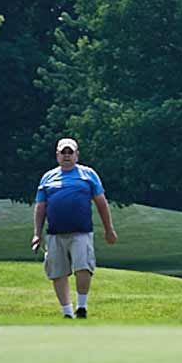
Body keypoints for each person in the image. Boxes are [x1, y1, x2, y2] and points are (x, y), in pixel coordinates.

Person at [32, 137, 116, 320]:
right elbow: (40, 207)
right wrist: (36, 234)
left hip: (81, 232)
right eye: (63, 152)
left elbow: (101, 203)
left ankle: (82, 307)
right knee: (57, 273)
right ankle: (67, 312)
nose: (67, 156)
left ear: (77, 155)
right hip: (55, 234)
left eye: (71, 152)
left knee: (83, 268)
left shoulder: (88, 175)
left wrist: (109, 229)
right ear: (57, 155)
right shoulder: (48, 178)